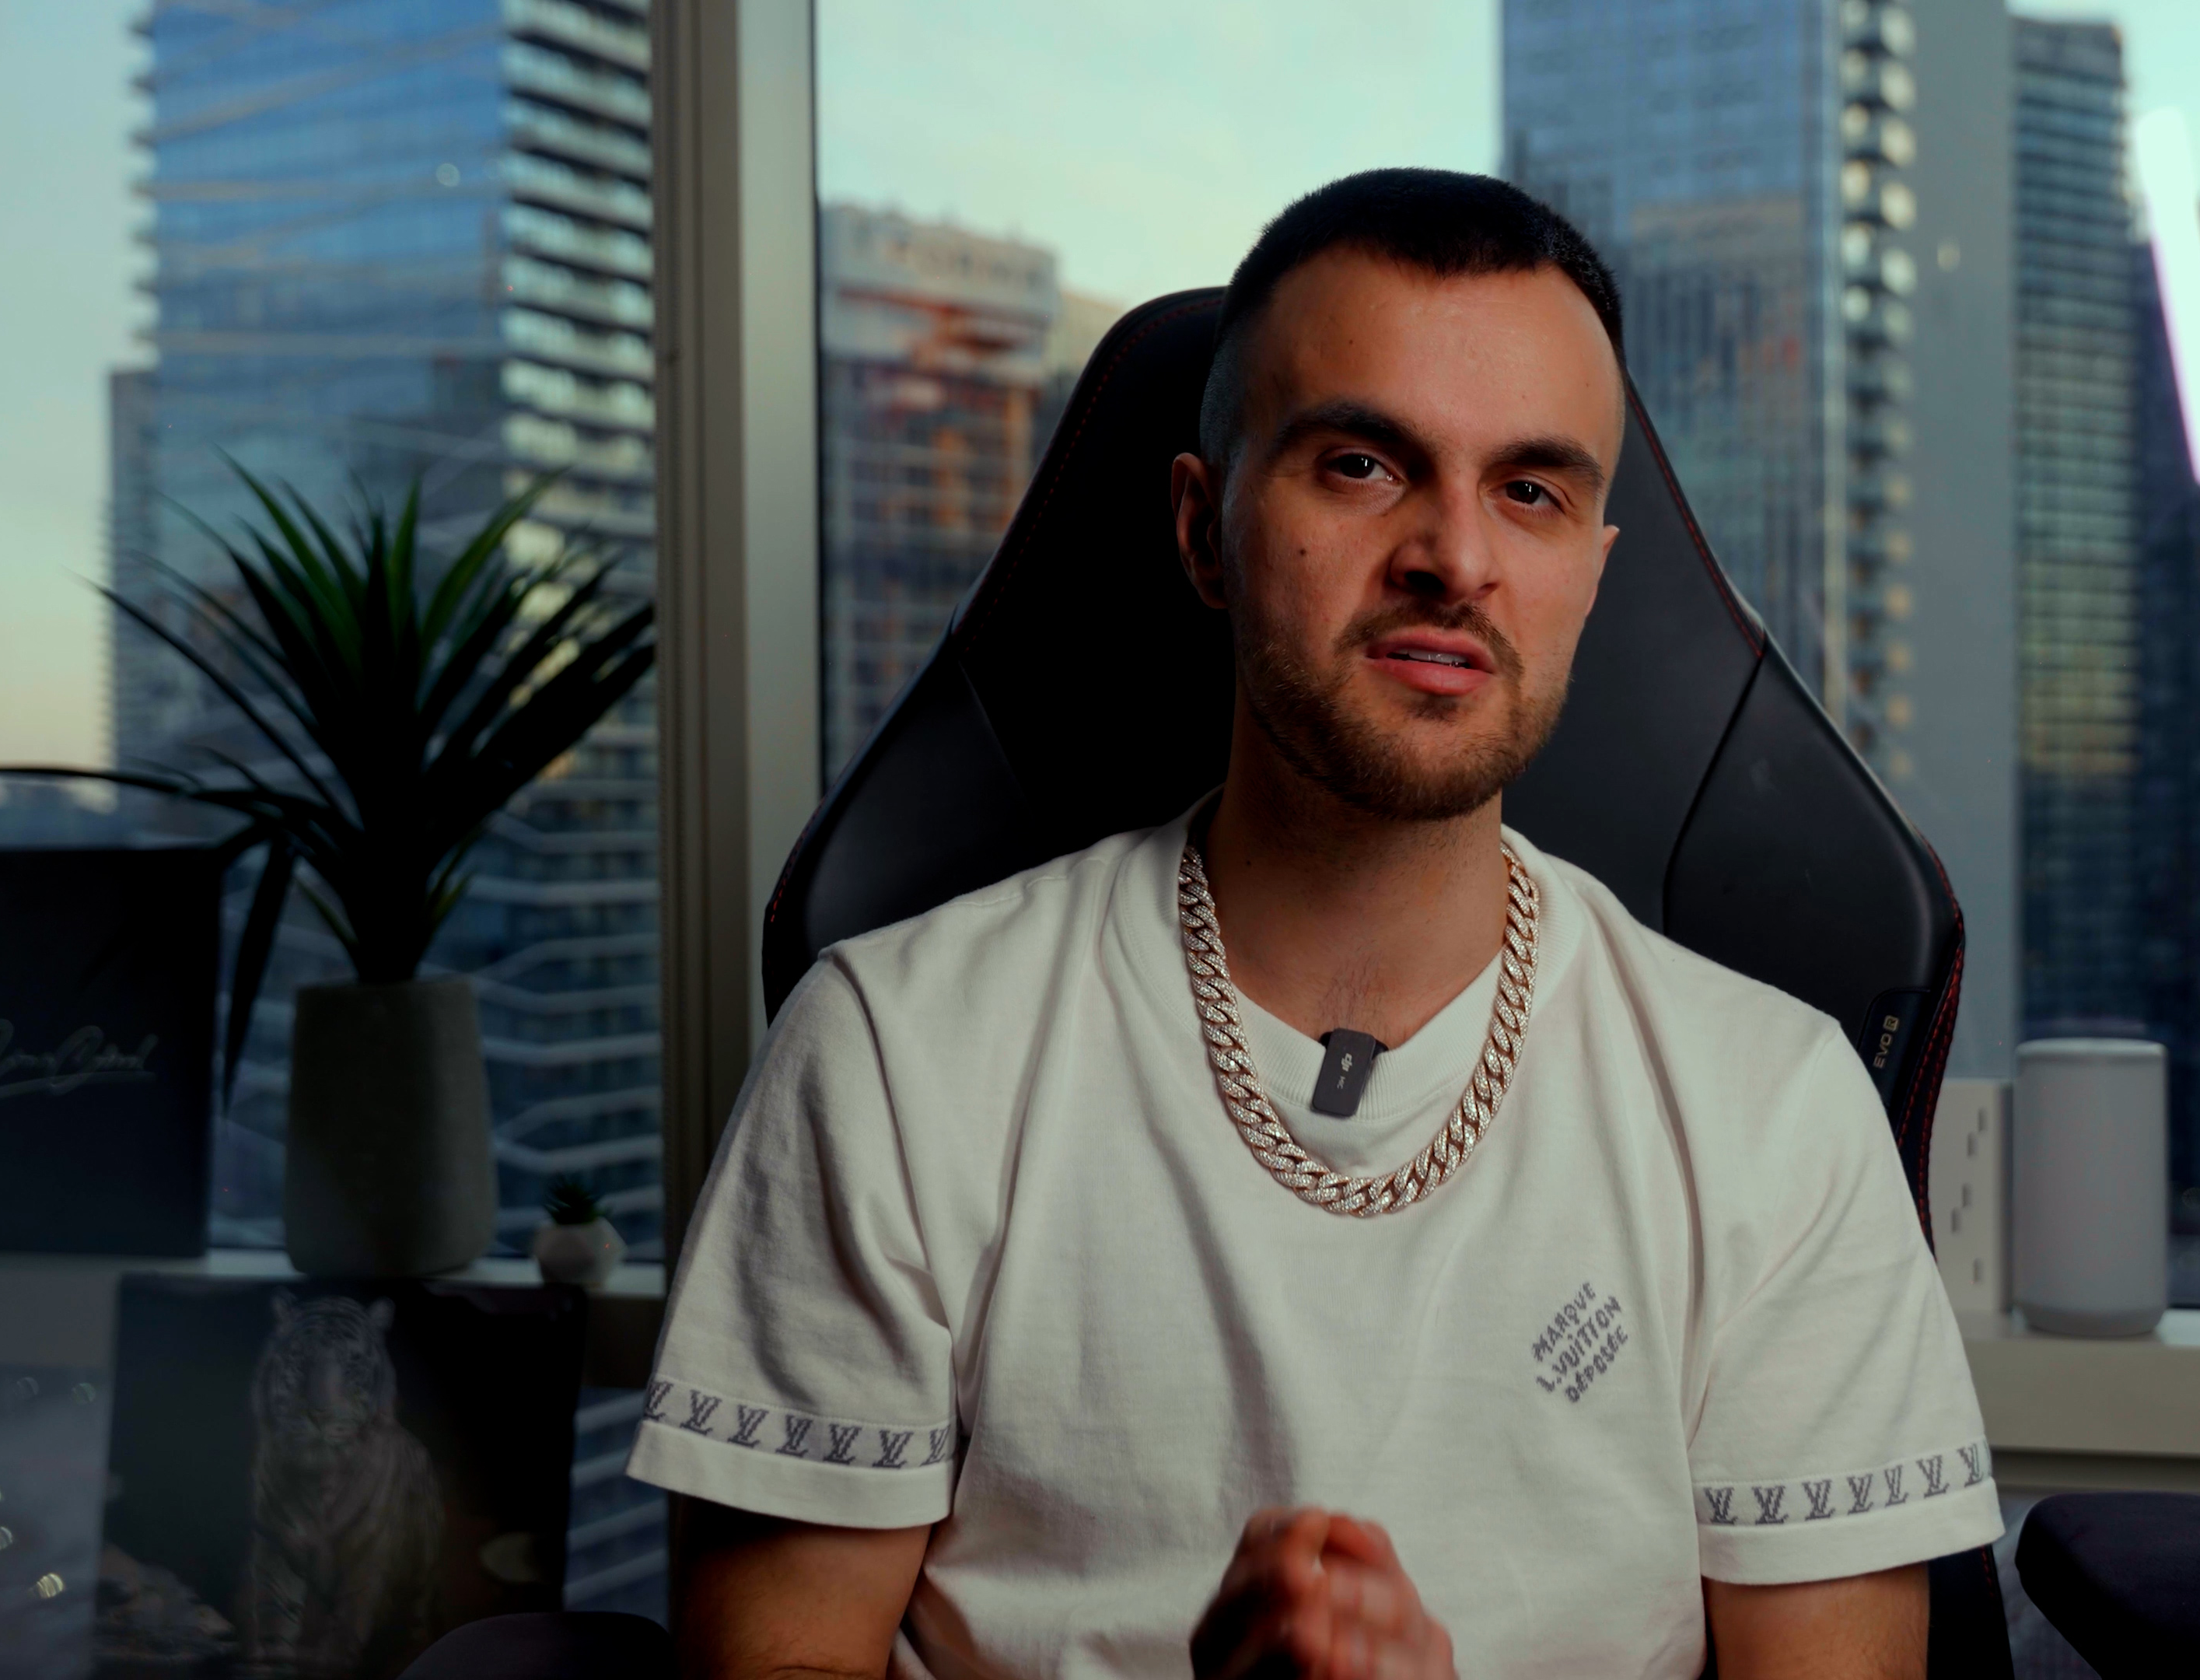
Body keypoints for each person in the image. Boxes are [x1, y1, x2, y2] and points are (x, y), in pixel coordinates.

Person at [631, 167, 1999, 1680]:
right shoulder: (897, 1055)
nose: (1455, 558)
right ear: (1203, 531)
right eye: (1362, 465)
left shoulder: (1776, 1110)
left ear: (1590, 578)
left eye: (1531, 491)